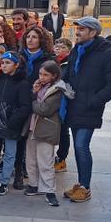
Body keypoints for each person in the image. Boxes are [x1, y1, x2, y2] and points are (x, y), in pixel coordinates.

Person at [63, 17, 111, 203]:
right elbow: (69, 72)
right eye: (77, 28)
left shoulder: (106, 53)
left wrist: (94, 101)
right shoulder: (77, 49)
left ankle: (86, 187)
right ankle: (80, 185)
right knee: (78, 147)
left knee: (81, 145)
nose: (77, 32)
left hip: (90, 107)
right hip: (73, 104)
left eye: (82, 29)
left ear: (93, 32)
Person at [0, 51, 32, 196]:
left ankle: (3, 182)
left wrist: (13, 120)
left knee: (9, 153)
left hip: (11, 124)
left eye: (7, 63)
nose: (3, 65)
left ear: (16, 65)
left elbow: (25, 107)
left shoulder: (23, 84)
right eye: (2, 63)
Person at [23, 60, 72, 206]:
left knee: (45, 160)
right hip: (33, 126)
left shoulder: (57, 90)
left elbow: (44, 109)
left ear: (54, 75)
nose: (41, 77)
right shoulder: (40, 86)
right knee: (31, 158)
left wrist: (32, 100)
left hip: (47, 128)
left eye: (45, 75)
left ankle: (49, 190)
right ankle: (33, 184)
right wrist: (34, 92)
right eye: (40, 74)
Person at [52, 37, 73, 173]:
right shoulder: (52, 62)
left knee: (63, 131)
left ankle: (61, 158)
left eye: (62, 47)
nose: (58, 49)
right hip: (52, 101)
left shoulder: (69, 63)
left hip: (64, 101)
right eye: (57, 46)